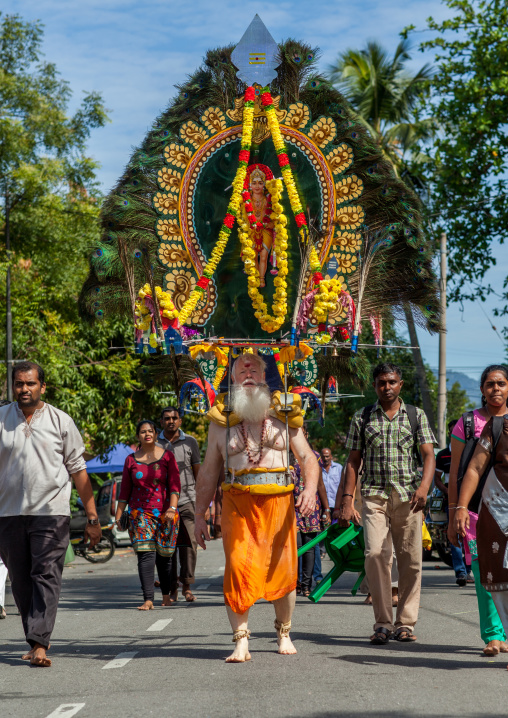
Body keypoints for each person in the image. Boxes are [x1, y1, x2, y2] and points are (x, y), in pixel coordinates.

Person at [194, 352, 319, 662]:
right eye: (240, 367)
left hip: (279, 501)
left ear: (265, 377)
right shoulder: (219, 421)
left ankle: (284, 632)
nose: (247, 371)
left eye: (254, 367)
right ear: (232, 378)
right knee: (237, 568)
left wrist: (311, 490)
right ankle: (241, 640)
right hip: (238, 501)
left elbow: (307, 458)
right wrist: (198, 515)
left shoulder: (285, 414)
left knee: (283, 571)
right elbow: (209, 472)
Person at [0, 361, 101, 667]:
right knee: (19, 579)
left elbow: (79, 471)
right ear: (12, 386)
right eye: (19, 384)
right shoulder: (1, 419)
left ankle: (40, 643)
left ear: (42, 386)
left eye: (30, 384)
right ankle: (34, 638)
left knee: (45, 574)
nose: (24, 389)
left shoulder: (60, 420)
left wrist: (93, 517)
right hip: (8, 514)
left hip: (51, 512)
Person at [337, 362, 435, 644]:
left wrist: (424, 487)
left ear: (400, 384)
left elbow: (428, 455)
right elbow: (353, 461)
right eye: (381, 383)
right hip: (374, 497)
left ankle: (405, 623)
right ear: (375, 386)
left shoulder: (415, 415)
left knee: (411, 561)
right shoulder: (363, 417)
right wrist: (347, 500)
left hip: (409, 498)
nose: (387, 387)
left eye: (392, 382)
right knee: (375, 555)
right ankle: (382, 622)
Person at [448, 365, 508, 656]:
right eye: (490, 384)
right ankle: (494, 636)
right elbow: (459, 471)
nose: (495, 389)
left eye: (501, 383)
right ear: (482, 389)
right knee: (485, 575)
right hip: (475, 511)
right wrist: (454, 511)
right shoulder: (468, 424)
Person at [115, 419, 181, 610]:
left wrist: (172, 508)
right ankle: (148, 599)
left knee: (165, 556)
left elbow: (175, 485)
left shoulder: (168, 457)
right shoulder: (130, 460)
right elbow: (124, 491)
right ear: (138, 436)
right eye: (143, 432)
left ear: (155, 434)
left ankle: (167, 595)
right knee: (145, 554)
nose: (147, 434)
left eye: (150, 431)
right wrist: (119, 516)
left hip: (165, 514)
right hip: (139, 514)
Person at [158, 407, 201, 602]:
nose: (171, 421)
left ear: (180, 421)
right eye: (167, 418)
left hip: (188, 499)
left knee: (189, 543)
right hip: (163, 503)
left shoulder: (190, 441)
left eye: (174, 418)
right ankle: (172, 588)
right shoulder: (155, 443)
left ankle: (187, 585)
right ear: (161, 422)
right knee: (168, 545)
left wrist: (203, 504)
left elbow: (198, 473)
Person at [434, 419, 471, 586]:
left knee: (470, 536)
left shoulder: (472, 451)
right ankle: (461, 572)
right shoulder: (442, 455)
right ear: (450, 433)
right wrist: (449, 492)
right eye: (452, 431)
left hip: (471, 498)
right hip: (452, 499)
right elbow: (437, 479)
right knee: (454, 533)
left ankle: (470, 569)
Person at [294, 439, 331, 596]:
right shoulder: (284, 458)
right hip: (291, 508)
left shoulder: (315, 457)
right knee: (294, 547)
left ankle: (306, 585)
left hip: (311, 507)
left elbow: (320, 484)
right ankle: (294, 583)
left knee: (309, 547)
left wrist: (327, 509)